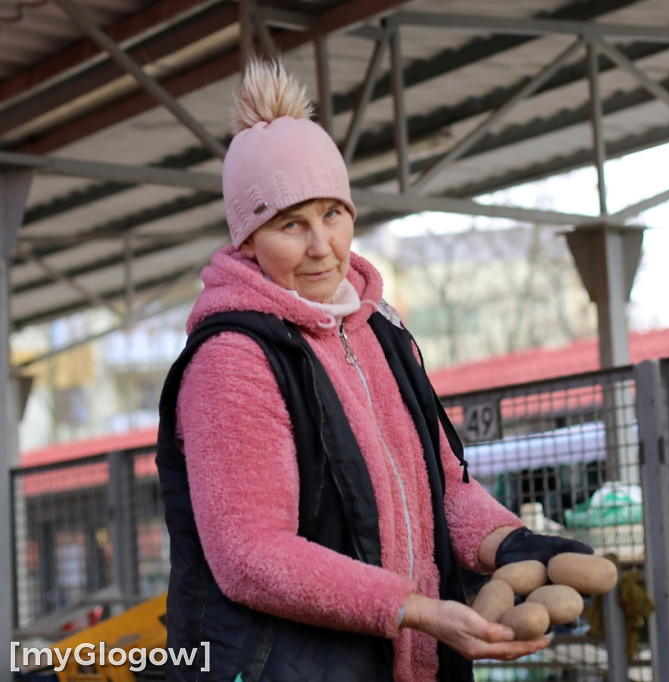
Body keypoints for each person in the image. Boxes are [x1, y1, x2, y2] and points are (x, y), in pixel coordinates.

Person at [155, 59, 591, 682]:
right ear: (247, 240)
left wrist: (508, 543)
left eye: (333, 213)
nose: (321, 246)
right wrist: (412, 609)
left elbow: (446, 491)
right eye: (290, 224)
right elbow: (251, 556)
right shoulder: (232, 361)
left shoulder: (381, 333)